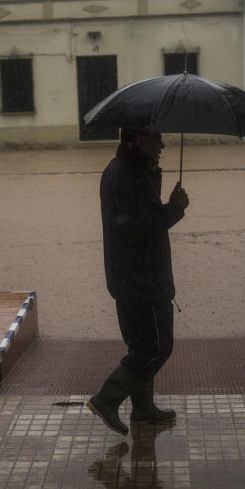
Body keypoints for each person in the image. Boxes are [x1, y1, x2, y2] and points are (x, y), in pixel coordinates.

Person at [87, 127, 190, 435]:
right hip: (142, 279)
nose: (162, 144)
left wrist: (154, 175)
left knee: (141, 344)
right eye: (155, 137)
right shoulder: (128, 176)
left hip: (129, 277)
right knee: (157, 347)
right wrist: (175, 208)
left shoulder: (125, 171)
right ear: (137, 139)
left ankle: (143, 408)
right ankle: (107, 399)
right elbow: (142, 229)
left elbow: (139, 216)